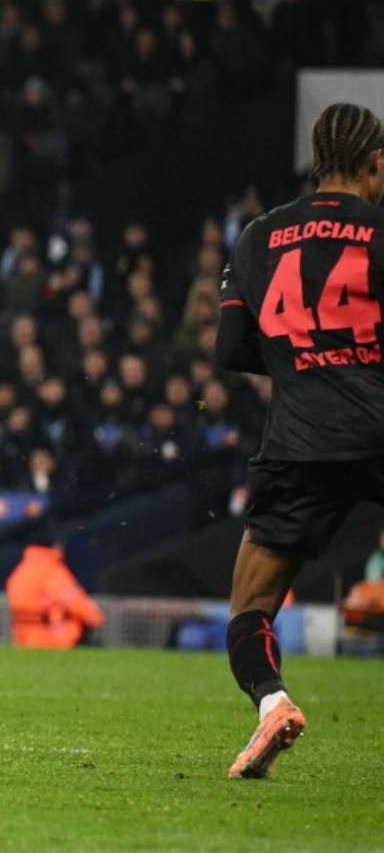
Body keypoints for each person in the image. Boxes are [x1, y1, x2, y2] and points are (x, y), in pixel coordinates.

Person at [214, 101, 384, 779]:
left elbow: (232, 347)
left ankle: (274, 703)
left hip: (301, 440)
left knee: (249, 610)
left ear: (316, 166)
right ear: (375, 164)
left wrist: (303, 360)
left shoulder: (259, 236)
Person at [5, 531, 102, 649]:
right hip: (51, 639)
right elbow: (77, 604)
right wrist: (96, 617)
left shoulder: (20, 571)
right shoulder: (51, 570)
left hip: (21, 639)